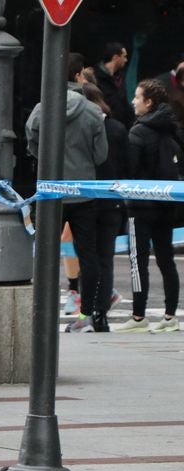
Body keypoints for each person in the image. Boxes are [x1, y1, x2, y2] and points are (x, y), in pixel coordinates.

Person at [26, 52, 108, 333]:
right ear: (77, 76)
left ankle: (40, 307)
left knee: (44, 251)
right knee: (88, 254)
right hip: (84, 192)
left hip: (52, 192)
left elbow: (31, 138)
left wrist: (45, 159)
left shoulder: (43, 107)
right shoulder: (93, 112)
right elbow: (101, 156)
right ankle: (87, 312)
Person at [115, 79, 181, 334]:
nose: (133, 101)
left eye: (137, 96)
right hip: (167, 204)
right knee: (166, 260)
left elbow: (129, 170)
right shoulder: (171, 128)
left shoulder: (138, 132)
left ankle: (139, 316)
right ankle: (169, 316)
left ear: (149, 102)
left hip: (140, 207)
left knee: (137, 261)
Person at [76, 82, 127, 332]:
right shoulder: (117, 129)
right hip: (113, 200)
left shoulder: (82, 128)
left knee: (88, 257)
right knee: (105, 258)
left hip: (86, 201)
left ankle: (87, 308)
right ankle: (100, 313)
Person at [95, 42, 133, 127]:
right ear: (115, 57)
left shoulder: (120, 77)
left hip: (121, 127)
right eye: (124, 56)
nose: (126, 60)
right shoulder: (95, 77)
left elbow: (124, 103)